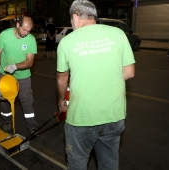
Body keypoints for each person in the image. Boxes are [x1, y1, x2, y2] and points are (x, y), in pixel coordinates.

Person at [56, 0, 135, 169]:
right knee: (109, 163)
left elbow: (62, 79)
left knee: (77, 163)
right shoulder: (118, 34)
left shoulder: (66, 42)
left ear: (75, 17)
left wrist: (62, 101)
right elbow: (129, 72)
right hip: (114, 114)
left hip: (82, 118)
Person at [0, 16, 39, 135]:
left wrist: (15, 67)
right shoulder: (5, 35)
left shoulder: (30, 40)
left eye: (28, 31)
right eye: (24, 30)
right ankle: (7, 121)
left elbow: (30, 62)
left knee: (27, 100)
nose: (26, 33)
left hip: (23, 76)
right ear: (17, 25)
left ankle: (32, 126)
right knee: (4, 100)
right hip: (4, 75)